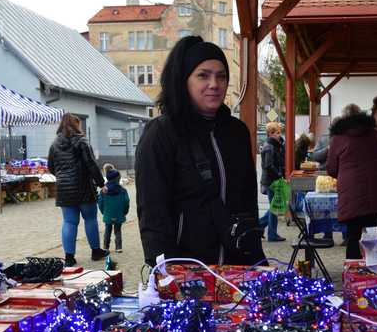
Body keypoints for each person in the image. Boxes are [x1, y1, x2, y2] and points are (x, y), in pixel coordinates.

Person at [136, 36, 262, 266]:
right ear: (184, 81)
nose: (214, 84)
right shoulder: (161, 134)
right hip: (188, 271)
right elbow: (153, 214)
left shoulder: (237, 132)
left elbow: (248, 203)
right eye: (203, 75)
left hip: (237, 269)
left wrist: (254, 258)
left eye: (221, 76)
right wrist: (166, 271)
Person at [327, 104, 377, 259]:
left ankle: (353, 276)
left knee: (353, 237)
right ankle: (374, 273)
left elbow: (331, 169)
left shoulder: (338, 138)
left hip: (352, 195)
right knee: (374, 235)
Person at [48, 113, 108, 267]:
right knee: (90, 219)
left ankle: (69, 257)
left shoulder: (54, 144)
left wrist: (62, 177)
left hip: (64, 189)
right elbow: (91, 164)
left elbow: (51, 167)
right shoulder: (82, 141)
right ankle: (96, 251)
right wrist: (101, 184)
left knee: (69, 221)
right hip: (83, 187)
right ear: (76, 125)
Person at [259, 122, 286, 242]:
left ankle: (259, 227)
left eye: (280, 132)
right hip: (271, 180)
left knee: (274, 207)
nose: (279, 135)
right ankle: (272, 234)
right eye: (277, 133)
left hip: (272, 179)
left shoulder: (275, 145)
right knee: (274, 207)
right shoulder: (270, 146)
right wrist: (279, 174)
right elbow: (268, 165)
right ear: (270, 134)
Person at [98, 168, 130, 253]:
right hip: (119, 214)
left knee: (107, 229)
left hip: (108, 213)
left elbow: (100, 203)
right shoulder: (123, 191)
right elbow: (126, 202)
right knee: (118, 230)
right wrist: (125, 212)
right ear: (118, 178)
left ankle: (105, 247)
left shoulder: (103, 191)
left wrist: (103, 212)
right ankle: (118, 247)